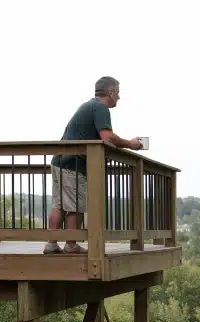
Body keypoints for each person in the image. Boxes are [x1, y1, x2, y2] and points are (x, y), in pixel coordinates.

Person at [43, 76, 144, 254]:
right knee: (74, 206)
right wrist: (130, 144)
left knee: (58, 205)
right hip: (73, 164)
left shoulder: (88, 106)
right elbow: (107, 137)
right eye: (118, 93)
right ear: (110, 93)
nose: (119, 97)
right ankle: (71, 245)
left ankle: (51, 244)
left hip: (59, 161)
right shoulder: (100, 108)